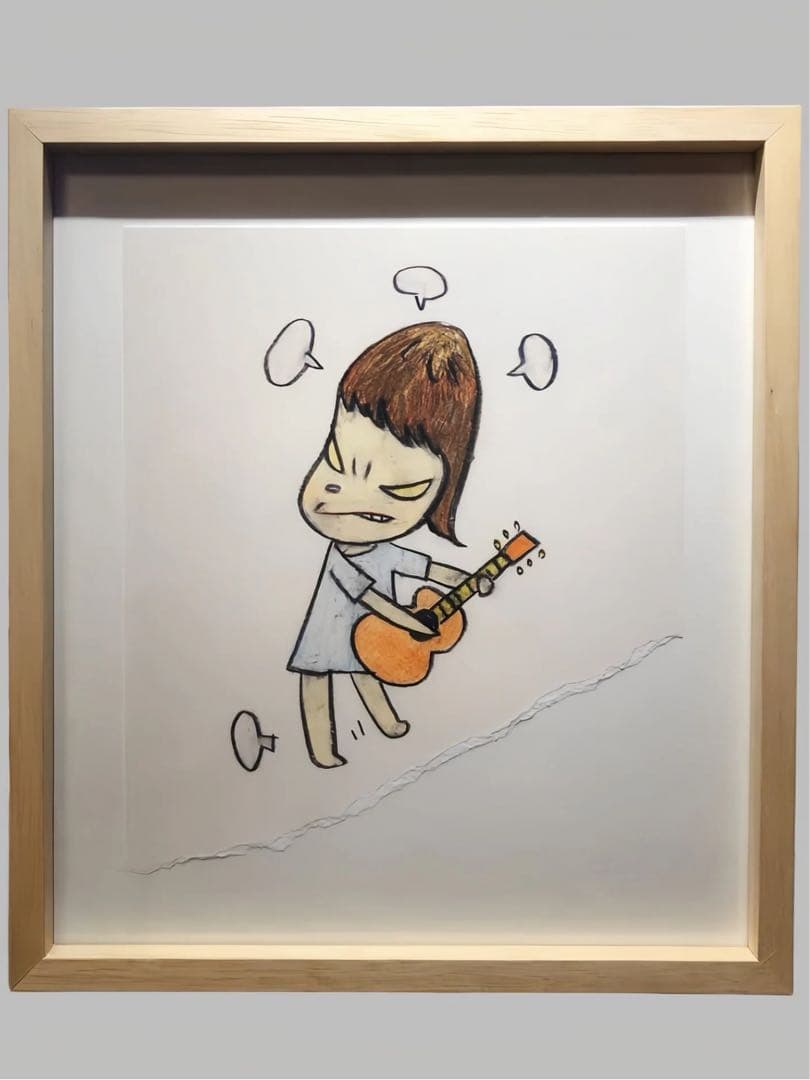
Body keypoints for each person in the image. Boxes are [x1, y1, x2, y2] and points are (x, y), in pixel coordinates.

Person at [289, 322, 493, 767]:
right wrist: (407, 619)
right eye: (335, 462)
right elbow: (367, 597)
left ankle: (386, 722)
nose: (352, 499)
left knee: (370, 667)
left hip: (372, 628)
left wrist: (462, 577)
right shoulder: (343, 557)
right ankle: (321, 749)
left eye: (399, 489)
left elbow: (420, 565)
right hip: (332, 623)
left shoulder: (382, 549)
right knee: (317, 676)